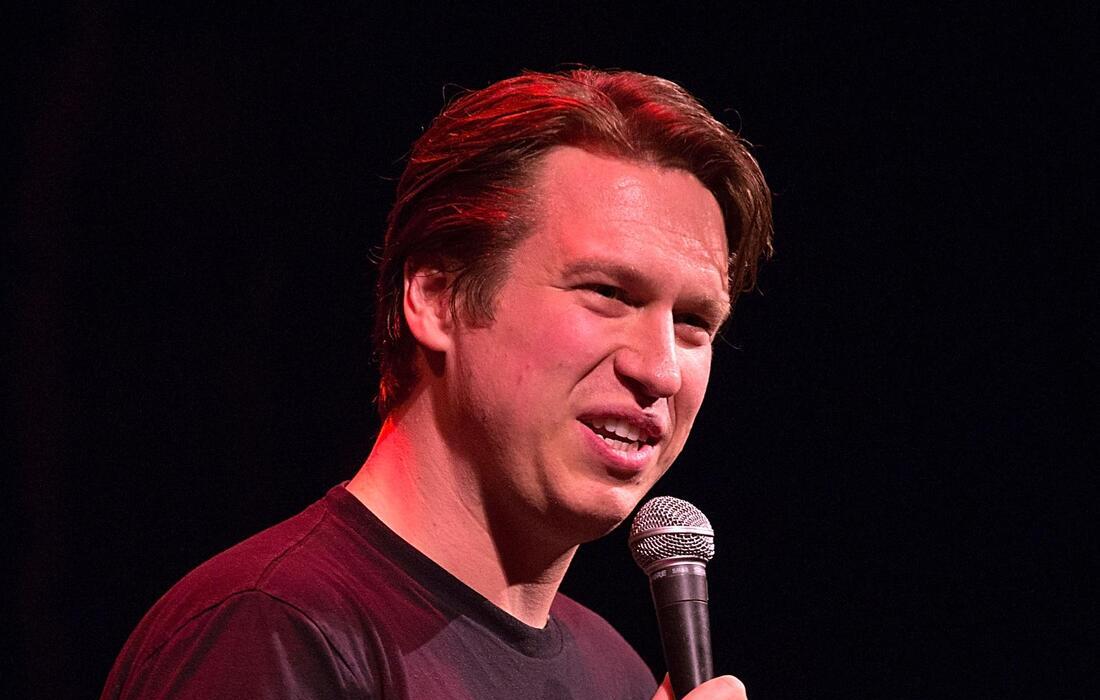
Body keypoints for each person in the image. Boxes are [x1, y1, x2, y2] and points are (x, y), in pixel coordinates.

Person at [101, 68, 773, 699]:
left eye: (693, 322)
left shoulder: (615, 673)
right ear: (437, 297)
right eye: (607, 293)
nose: (659, 370)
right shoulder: (271, 630)